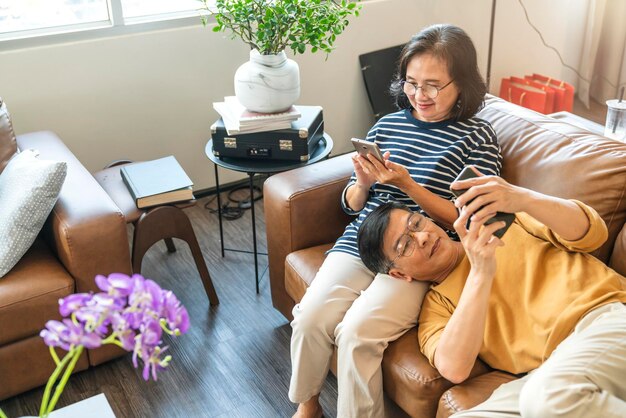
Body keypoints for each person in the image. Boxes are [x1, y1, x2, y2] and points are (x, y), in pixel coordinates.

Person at [290, 24, 502, 418]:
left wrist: (409, 186)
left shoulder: (478, 138)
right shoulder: (388, 125)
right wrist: (364, 183)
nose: (419, 96)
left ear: (463, 84)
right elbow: (352, 207)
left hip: (415, 257)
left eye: (433, 86)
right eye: (411, 82)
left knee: (357, 334)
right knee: (310, 317)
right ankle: (309, 404)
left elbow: (468, 218)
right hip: (362, 241)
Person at [357, 171, 626, 418]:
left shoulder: (499, 222)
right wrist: (480, 272)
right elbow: (454, 368)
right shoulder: (437, 308)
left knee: (547, 396)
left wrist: (523, 198)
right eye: (405, 245)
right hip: (548, 371)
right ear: (400, 275)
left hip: (604, 317)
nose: (422, 237)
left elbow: (594, 233)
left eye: (416, 223)